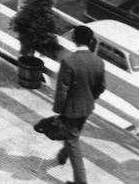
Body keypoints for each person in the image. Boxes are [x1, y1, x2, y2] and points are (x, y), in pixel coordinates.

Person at [53, 24, 106, 183]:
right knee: (72, 136)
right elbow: (101, 87)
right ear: (90, 41)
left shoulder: (69, 62)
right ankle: (62, 156)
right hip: (87, 108)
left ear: (74, 39)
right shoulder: (98, 62)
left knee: (72, 141)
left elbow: (62, 89)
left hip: (70, 110)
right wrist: (90, 98)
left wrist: (58, 110)